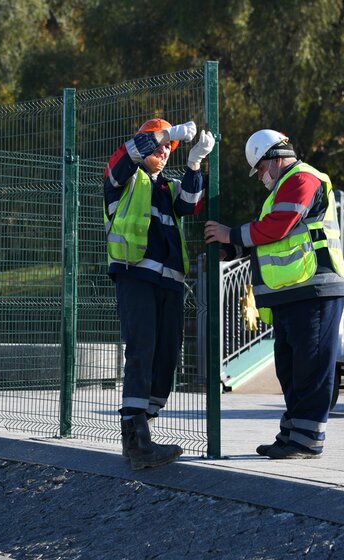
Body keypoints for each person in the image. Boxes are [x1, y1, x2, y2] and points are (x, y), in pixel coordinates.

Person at [204, 129, 344, 459]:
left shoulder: (302, 178)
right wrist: (234, 248)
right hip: (294, 293)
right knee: (290, 368)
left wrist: (231, 233)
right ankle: (292, 434)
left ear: (273, 159)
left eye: (259, 170)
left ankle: (307, 440)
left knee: (310, 368)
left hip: (314, 290)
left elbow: (279, 225)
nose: (259, 178)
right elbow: (274, 238)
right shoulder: (284, 188)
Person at [104, 118, 215, 470]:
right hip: (135, 275)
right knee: (142, 349)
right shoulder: (123, 177)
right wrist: (167, 133)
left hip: (169, 283)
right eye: (160, 146)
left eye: (169, 149)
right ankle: (135, 439)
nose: (165, 152)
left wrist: (195, 162)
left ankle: (143, 431)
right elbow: (129, 153)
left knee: (167, 357)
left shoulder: (167, 186)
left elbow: (190, 205)